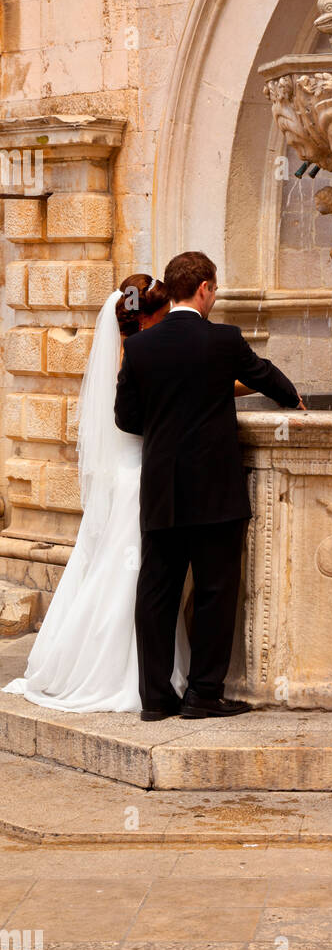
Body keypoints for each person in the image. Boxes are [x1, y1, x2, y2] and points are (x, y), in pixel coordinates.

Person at [115, 250, 303, 721]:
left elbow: (125, 418)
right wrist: (294, 399)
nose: (214, 297)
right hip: (216, 493)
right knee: (216, 591)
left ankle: (155, 699)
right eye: (214, 289)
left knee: (157, 590)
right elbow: (263, 375)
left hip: (163, 490)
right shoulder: (224, 340)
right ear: (204, 289)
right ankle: (202, 696)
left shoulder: (140, 348)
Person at [3, 276, 190, 712]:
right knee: (134, 576)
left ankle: (118, 666)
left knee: (113, 568)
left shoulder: (125, 353)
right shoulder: (139, 356)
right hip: (138, 476)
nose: (166, 324)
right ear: (146, 318)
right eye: (162, 316)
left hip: (121, 474)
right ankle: (123, 673)